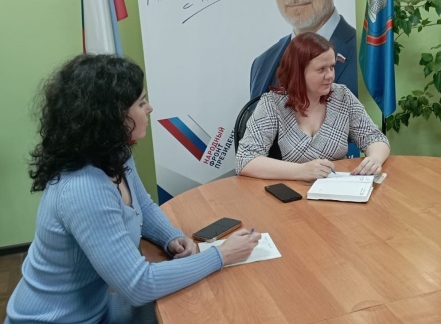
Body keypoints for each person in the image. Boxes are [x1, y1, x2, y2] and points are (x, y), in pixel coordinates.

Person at [6, 55, 261, 324]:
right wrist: (221, 255)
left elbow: (144, 207)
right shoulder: (84, 189)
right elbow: (138, 285)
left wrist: (171, 237)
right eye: (141, 102)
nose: (149, 108)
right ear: (111, 115)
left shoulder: (116, 153)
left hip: (96, 308)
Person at [238, 33, 389, 181]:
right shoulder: (272, 103)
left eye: (332, 67)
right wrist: (301, 171)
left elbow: (375, 138)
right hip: (292, 191)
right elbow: (245, 159)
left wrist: (375, 158)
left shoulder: (342, 96)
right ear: (298, 72)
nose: (330, 75)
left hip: (338, 188)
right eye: (321, 69)